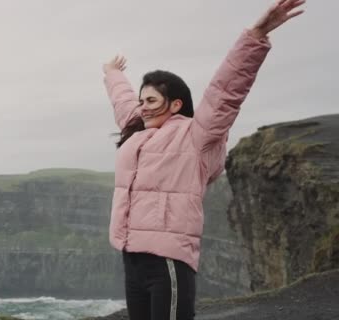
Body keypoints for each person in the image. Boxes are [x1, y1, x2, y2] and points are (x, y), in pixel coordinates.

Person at [101, 1, 305, 319]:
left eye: (152, 100)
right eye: (142, 101)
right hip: (133, 261)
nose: (143, 107)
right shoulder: (137, 130)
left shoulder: (196, 136)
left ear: (175, 104)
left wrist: (255, 36)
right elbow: (123, 102)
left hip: (166, 262)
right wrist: (112, 73)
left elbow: (225, 92)